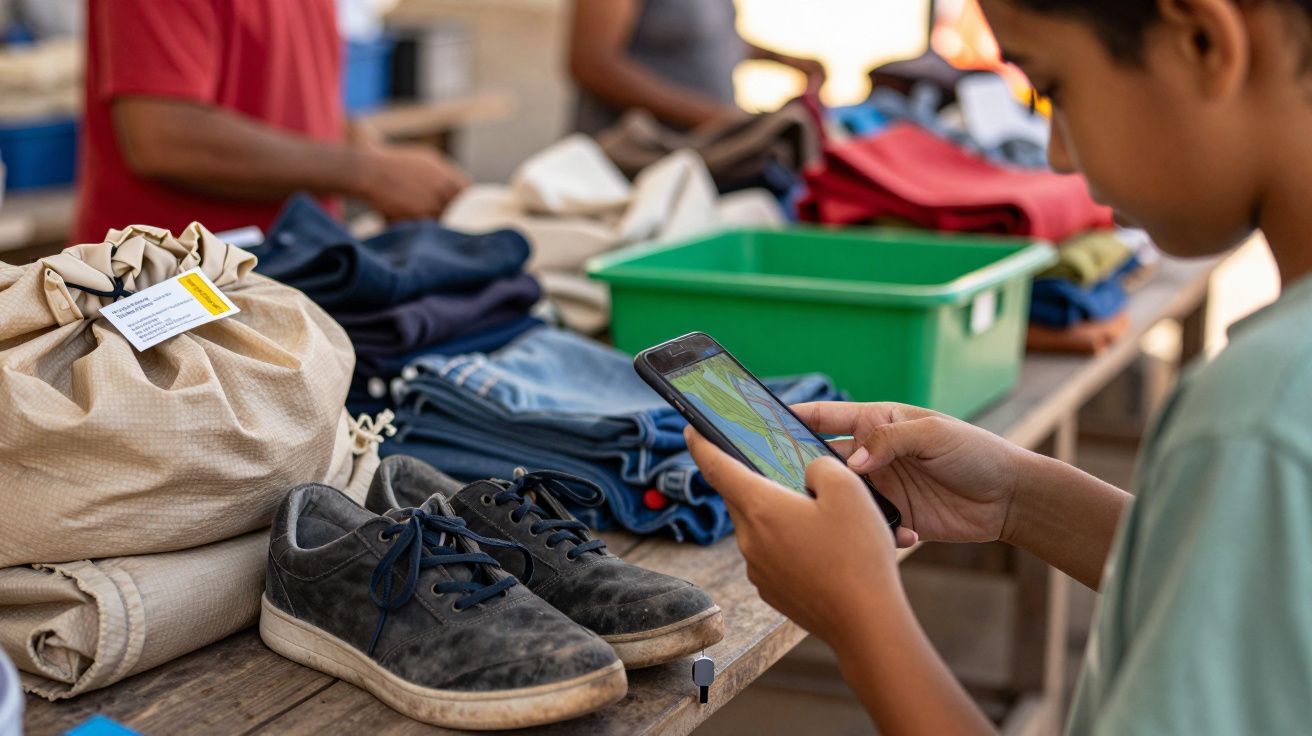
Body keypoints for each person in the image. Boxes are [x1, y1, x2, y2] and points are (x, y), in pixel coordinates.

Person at [686, 0, 1312, 733]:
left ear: (1206, 41)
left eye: (1053, 90)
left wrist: (859, 614)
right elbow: (1262, 590)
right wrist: (1017, 497)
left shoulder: (1258, 414)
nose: (1056, 156)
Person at [72, 0, 469, 245]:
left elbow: (293, 83)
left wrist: (368, 152)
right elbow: (164, 136)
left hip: (287, 270)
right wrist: (367, 172)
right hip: (171, 295)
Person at [568, 0, 826, 135]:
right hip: (626, 164)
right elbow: (592, 63)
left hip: (693, 156)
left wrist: (783, 60)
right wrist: (712, 117)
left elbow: (713, 39)